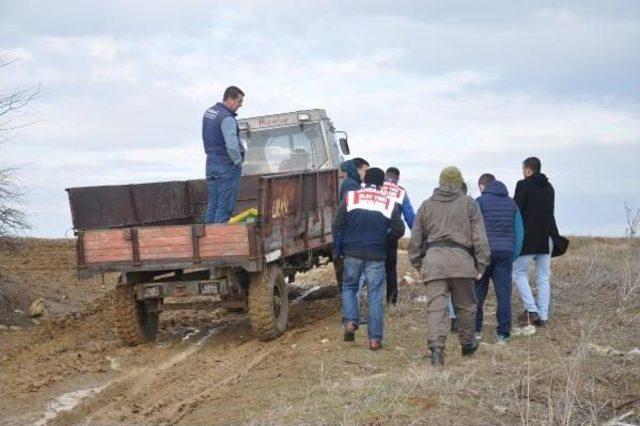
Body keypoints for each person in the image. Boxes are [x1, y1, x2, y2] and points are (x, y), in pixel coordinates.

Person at [408, 167, 490, 366]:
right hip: (462, 262)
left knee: (436, 309)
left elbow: (415, 238)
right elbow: (480, 238)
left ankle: (437, 350)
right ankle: (467, 343)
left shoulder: (426, 206)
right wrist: (481, 265)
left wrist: (418, 263)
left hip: (434, 262)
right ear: (459, 182)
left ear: (441, 182)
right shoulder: (469, 204)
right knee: (467, 306)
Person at [333, 167, 405, 351]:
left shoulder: (351, 197)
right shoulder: (389, 202)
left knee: (349, 287)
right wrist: (385, 239)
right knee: (374, 295)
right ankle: (374, 340)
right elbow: (399, 230)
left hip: (352, 252)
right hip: (376, 254)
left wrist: (346, 238)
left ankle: (350, 321)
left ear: (364, 180)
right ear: (381, 183)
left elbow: (337, 223)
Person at [474, 173, 524, 344]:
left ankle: (475, 330)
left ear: (483, 186)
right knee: (503, 295)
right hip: (504, 254)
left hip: (483, 255)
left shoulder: (479, 202)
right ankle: (503, 333)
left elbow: (471, 229)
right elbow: (519, 231)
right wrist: (514, 254)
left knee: (477, 293)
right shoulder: (512, 203)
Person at [513, 157, 559, 327]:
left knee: (518, 273)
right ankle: (543, 316)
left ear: (527, 169)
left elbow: (516, 212)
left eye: (522, 168)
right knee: (543, 278)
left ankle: (532, 310)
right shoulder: (550, 187)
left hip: (528, 238)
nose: (522, 171)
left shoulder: (523, 185)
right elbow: (550, 212)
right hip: (546, 238)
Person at [202, 86, 245, 224]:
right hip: (226, 165)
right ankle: (219, 242)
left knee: (213, 204)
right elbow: (232, 146)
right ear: (231, 100)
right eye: (239, 101)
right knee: (224, 206)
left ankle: (207, 240)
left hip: (211, 163)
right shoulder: (227, 118)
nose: (241, 105)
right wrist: (238, 162)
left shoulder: (209, 112)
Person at [380, 167, 415, 306]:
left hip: (374, 235)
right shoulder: (401, 192)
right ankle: (392, 301)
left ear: (385, 176)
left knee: (374, 267)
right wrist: (418, 234)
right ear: (397, 178)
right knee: (390, 269)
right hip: (392, 235)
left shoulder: (377, 188)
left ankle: (375, 301)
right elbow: (410, 217)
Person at [334, 158, 370, 292]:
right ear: (357, 169)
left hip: (347, 231)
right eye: (365, 171)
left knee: (350, 273)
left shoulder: (352, 183)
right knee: (350, 276)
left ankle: (347, 297)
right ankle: (348, 301)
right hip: (349, 232)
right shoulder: (351, 185)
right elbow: (349, 210)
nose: (366, 174)